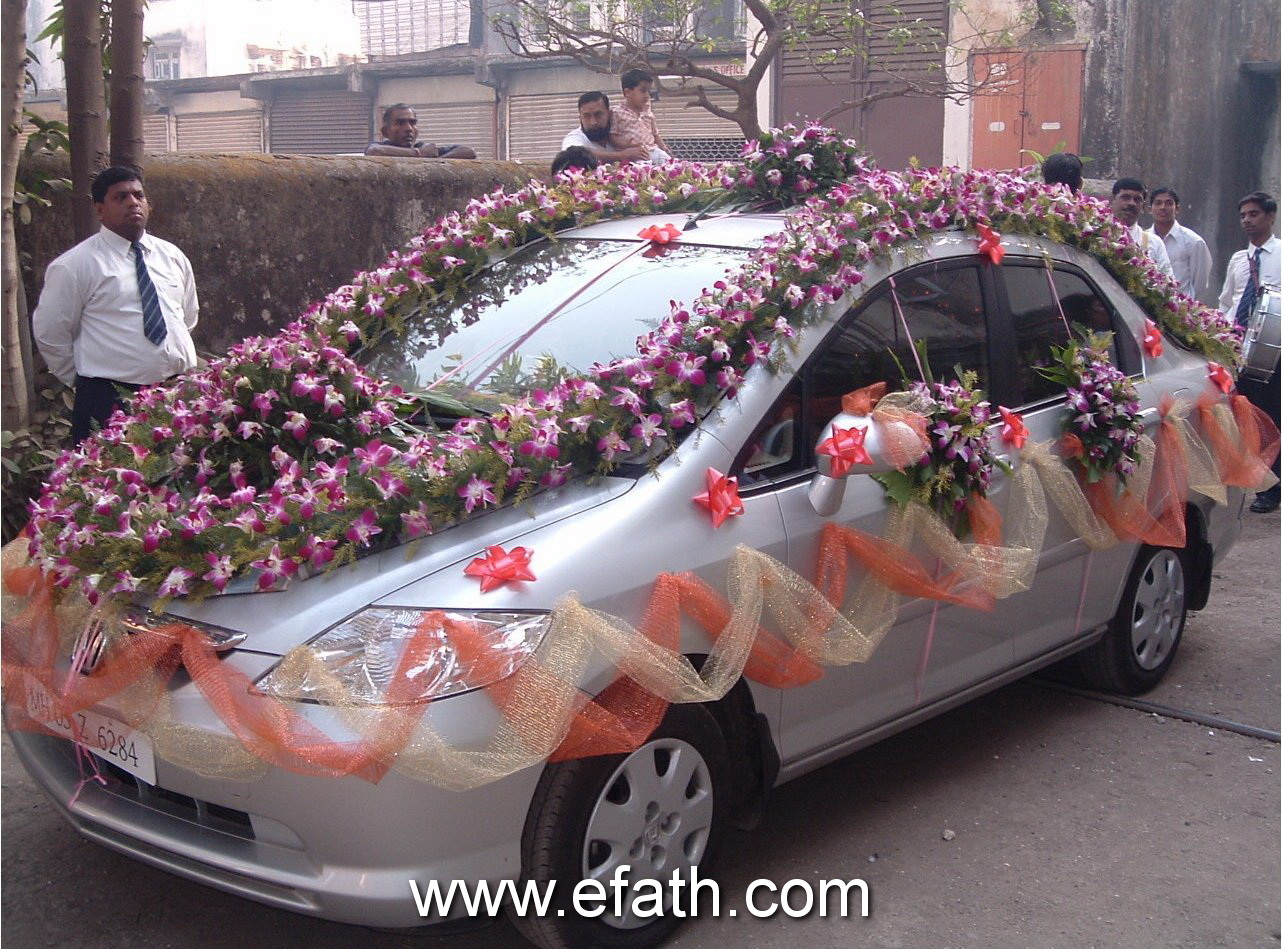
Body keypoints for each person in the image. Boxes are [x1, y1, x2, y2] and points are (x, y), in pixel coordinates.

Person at [33, 166, 199, 444]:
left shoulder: (172, 256)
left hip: (174, 392)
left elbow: (187, 316)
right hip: (108, 400)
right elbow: (51, 333)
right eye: (120, 197)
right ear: (100, 209)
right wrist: (87, 380)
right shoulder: (76, 265)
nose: (133, 202)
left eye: (138, 195)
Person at [1217, 191, 1280, 513]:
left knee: (1270, 418)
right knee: (1241, 416)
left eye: (1253, 214)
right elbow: (1227, 302)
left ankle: (1271, 487)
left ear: (1270, 216)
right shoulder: (1238, 260)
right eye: (1243, 215)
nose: (1247, 220)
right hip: (1239, 352)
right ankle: (1244, 478)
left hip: (1273, 354)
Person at [1146, 187, 1213, 301]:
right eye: (1158, 203)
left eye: (1168, 203)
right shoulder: (1144, 239)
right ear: (1150, 209)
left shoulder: (1193, 242)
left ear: (1177, 209)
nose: (1163, 207)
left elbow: (1199, 284)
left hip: (1179, 310)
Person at [560, 91, 651, 164]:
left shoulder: (622, 135)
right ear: (580, 118)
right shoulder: (575, 138)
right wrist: (621, 156)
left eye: (598, 115)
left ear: (609, 114)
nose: (593, 122)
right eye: (587, 116)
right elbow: (574, 153)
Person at [1111, 177, 1174, 279]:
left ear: (1143, 206)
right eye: (1125, 197)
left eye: (1137, 199)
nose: (1131, 203)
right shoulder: (1096, 232)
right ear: (1113, 200)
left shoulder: (1154, 243)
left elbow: (1167, 284)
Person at [364, 104, 476, 159]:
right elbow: (374, 151)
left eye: (412, 123)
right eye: (400, 123)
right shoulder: (380, 147)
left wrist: (435, 164)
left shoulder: (425, 149)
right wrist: (418, 153)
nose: (408, 128)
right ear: (385, 132)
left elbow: (469, 151)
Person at [608, 69, 671, 162]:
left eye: (649, 91)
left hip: (653, 149)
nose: (647, 95)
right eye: (643, 91)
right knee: (642, 171)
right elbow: (612, 135)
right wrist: (624, 144)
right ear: (628, 92)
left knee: (671, 163)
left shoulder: (648, 112)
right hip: (633, 154)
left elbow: (655, 134)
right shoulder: (617, 113)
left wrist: (663, 147)